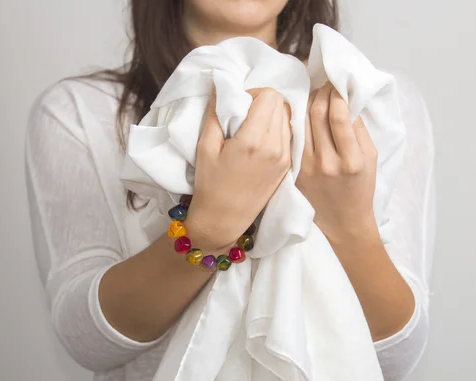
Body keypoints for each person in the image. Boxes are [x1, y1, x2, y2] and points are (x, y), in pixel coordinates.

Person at [25, 1, 435, 380]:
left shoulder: (373, 101)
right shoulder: (81, 112)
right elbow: (88, 342)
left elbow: (396, 357)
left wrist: (348, 227)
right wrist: (207, 234)